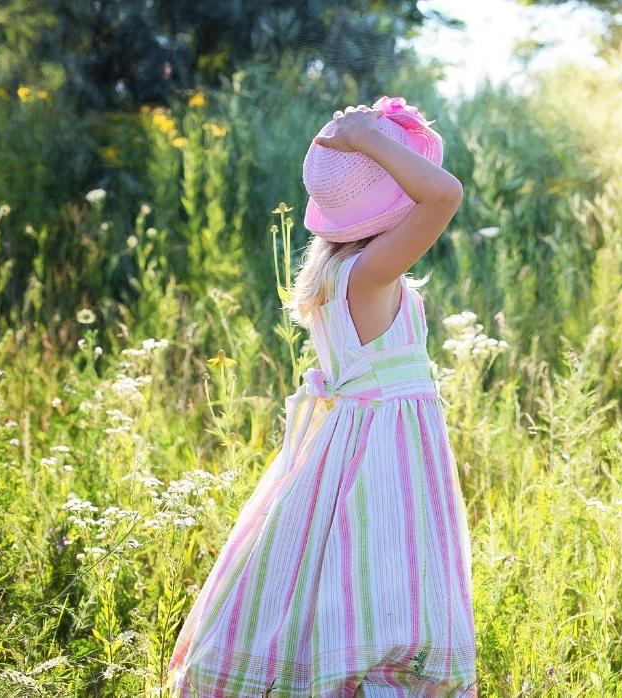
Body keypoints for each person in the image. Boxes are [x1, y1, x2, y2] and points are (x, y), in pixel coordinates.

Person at [165, 97, 478, 697]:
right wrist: (365, 136)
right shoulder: (370, 273)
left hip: (353, 439)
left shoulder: (342, 274)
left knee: (327, 568)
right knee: (382, 570)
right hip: (384, 448)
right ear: (391, 200)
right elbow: (444, 195)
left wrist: (366, 141)